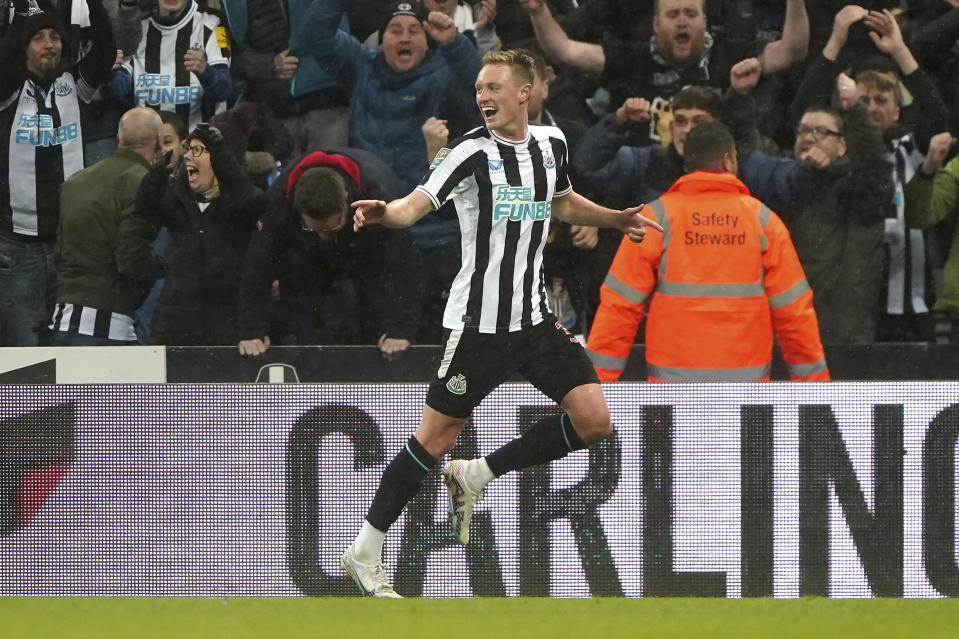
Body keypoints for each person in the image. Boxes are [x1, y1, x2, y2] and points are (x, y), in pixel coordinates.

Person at [339, 49, 662, 598]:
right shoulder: (468, 152)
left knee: (594, 421)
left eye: (494, 87)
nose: (483, 96)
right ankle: (364, 552)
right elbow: (415, 205)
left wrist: (611, 218)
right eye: (479, 88)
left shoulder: (551, 144)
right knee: (436, 437)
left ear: (525, 93)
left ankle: (478, 475)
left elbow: (558, 202)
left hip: (534, 321)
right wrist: (384, 212)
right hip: (477, 326)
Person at [585, 121, 829, 382]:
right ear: (727, 160)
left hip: (672, 394)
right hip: (746, 394)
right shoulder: (763, 221)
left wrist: (592, 390)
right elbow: (794, 313)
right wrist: (814, 391)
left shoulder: (656, 217)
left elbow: (619, 309)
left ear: (688, 163)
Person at [790, 6, 952, 342]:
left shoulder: (912, 144)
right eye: (865, 98)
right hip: (855, 300)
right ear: (848, 105)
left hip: (910, 301)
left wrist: (898, 50)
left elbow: (937, 115)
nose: (874, 106)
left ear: (897, 109)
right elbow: (803, 111)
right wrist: (835, 41)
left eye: (882, 99)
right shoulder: (836, 150)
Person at [726, 58, 895, 344]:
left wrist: (856, 110)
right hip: (785, 331)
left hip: (845, 337)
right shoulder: (782, 182)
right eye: (803, 131)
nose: (807, 138)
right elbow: (745, 151)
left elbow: (876, 167)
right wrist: (739, 95)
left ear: (843, 145)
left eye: (820, 132)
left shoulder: (860, 191)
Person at [518, 0, 809, 146]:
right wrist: (538, 11)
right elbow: (565, 50)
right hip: (649, 172)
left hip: (717, 167)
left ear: (705, 22)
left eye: (691, 14)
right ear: (656, 24)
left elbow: (791, 50)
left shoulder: (728, 54)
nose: (682, 21)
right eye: (673, 15)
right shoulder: (633, 57)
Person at [0, 0, 116, 346]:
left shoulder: (75, 85)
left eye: (54, 36)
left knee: (71, 349)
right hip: (18, 248)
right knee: (25, 354)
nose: (49, 44)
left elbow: (106, 48)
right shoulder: (7, 90)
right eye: (38, 38)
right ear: (24, 47)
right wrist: (23, 10)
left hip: (68, 247)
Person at [236, 147, 421, 357]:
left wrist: (400, 329)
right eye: (315, 229)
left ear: (345, 203)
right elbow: (256, 266)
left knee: (373, 298)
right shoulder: (278, 202)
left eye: (331, 228)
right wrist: (251, 330)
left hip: (366, 244)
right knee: (300, 307)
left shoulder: (377, 195)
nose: (324, 236)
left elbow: (405, 264)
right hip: (303, 251)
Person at [118, 121, 260, 345]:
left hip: (226, 324)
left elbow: (245, 202)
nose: (187, 157)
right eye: (188, 150)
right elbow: (145, 209)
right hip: (175, 324)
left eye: (198, 150)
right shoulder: (176, 195)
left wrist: (221, 155)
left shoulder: (241, 201)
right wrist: (155, 177)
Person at [49, 106, 163, 345]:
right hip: (109, 323)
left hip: (64, 316)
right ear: (159, 142)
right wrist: (165, 267)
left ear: (118, 139)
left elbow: (59, 250)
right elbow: (131, 260)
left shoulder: (75, 180)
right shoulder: (144, 184)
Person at [220, 0, 352, 155]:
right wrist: (270, 64)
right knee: (286, 177)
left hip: (326, 105)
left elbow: (341, 38)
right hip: (275, 113)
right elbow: (229, 57)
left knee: (329, 174)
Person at [112, 0, 231, 131]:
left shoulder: (213, 23)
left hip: (196, 144)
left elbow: (224, 91)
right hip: (145, 143)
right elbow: (116, 91)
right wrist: (109, 74)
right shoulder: (136, 27)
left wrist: (206, 72)